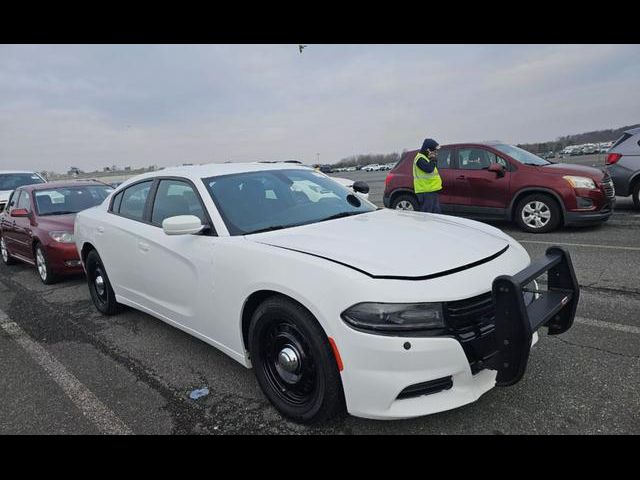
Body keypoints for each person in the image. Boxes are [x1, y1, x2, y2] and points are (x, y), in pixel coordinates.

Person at [413, 138, 443, 213]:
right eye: (434, 150)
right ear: (428, 150)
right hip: (425, 191)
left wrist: (433, 159)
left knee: (436, 213)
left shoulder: (426, 158)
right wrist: (433, 159)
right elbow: (429, 169)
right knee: (427, 215)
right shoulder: (419, 159)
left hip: (431, 190)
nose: (436, 153)